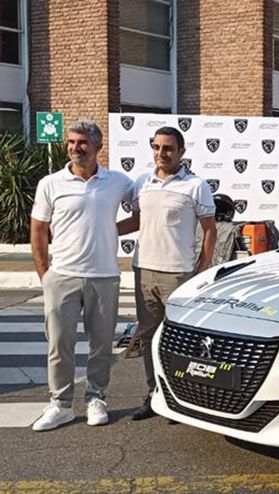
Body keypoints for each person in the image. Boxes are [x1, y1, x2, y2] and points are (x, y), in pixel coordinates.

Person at [30, 120, 133, 431]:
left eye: (83, 142)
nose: (76, 148)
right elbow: (39, 229)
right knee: (59, 344)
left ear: (98, 146)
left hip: (104, 276)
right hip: (62, 275)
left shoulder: (117, 181)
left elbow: (144, 210)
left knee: (102, 345)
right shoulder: (50, 183)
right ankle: (60, 404)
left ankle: (95, 398)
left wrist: (111, 229)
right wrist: (45, 273)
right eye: (72, 142)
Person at [118, 126, 216, 420]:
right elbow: (136, 221)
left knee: (179, 340)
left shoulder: (196, 185)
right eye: (157, 147)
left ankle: (181, 399)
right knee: (149, 338)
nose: (161, 153)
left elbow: (210, 230)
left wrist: (202, 268)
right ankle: (154, 395)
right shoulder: (142, 182)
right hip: (143, 271)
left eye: (169, 148)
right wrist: (102, 230)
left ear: (181, 152)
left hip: (178, 275)